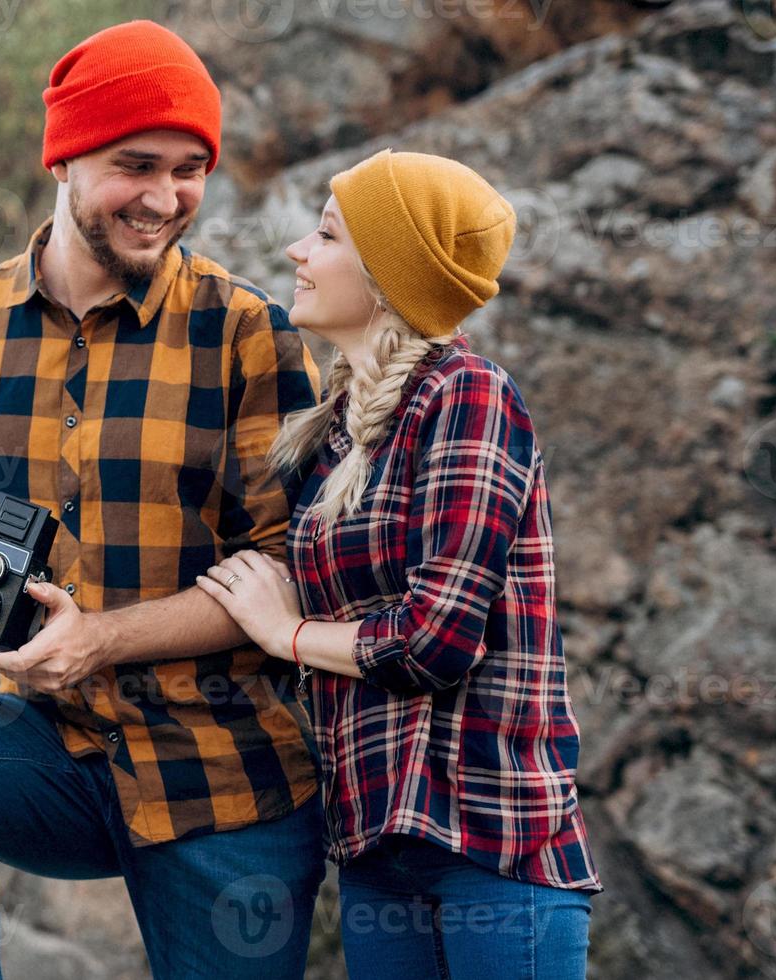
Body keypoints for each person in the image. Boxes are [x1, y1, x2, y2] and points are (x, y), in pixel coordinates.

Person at [0, 19, 329, 980]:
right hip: (45, 754)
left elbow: (288, 568)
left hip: (227, 773)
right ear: (63, 157)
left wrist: (100, 638)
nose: (163, 197)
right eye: (134, 164)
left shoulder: (248, 332)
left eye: (190, 168)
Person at [197, 149, 603, 979]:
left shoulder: (469, 394)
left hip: (491, 841)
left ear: (387, 274)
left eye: (325, 235)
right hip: (376, 843)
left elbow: (437, 639)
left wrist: (289, 633)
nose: (296, 254)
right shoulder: (331, 432)